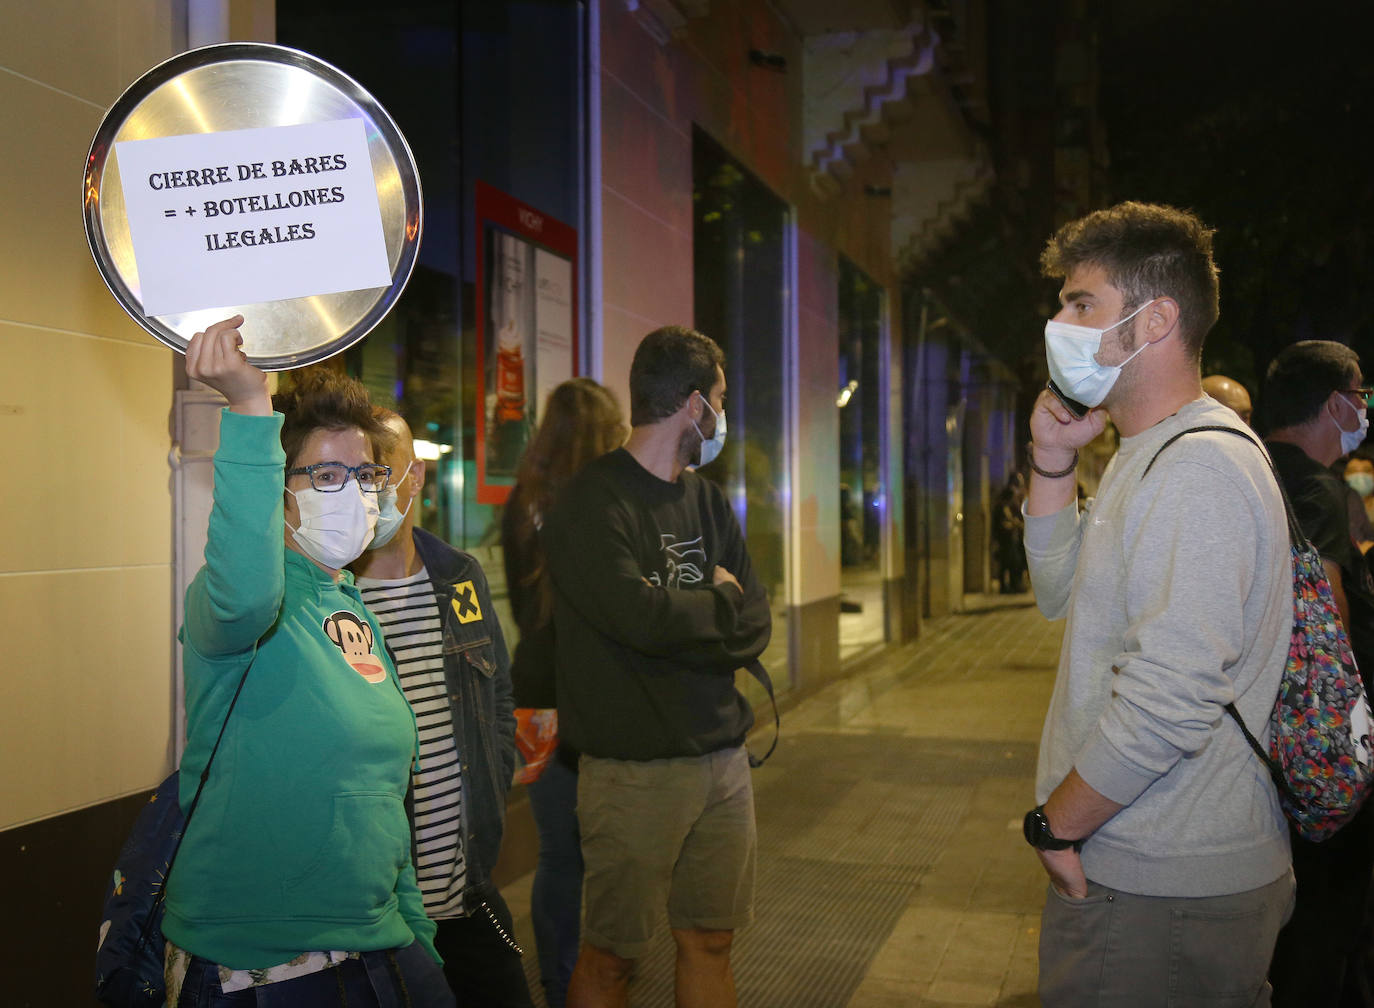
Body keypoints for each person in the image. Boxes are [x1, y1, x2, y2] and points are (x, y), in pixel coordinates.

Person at [1022, 203, 1294, 1006]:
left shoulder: (1198, 467)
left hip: (1162, 880)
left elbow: (1170, 695)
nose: (1059, 323)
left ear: (1156, 320)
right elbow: (1056, 595)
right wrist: (1050, 463)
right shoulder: (1147, 452)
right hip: (1145, 865)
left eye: (1082, 305)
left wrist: (1058, 823)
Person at [163, 316, 454, 1007]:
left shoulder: (347, 602)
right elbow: (244, 589)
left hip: (378, 950)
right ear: (279, 488)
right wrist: (248, 406)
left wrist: (417, 938)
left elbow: (385, 795)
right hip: (270, 975)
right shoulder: (239, 603)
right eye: (325, 473)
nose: (351, 492)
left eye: (364, 474)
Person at [543, 326, 772, 1008]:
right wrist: (716, 599)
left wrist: (693, 613)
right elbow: (634, 618)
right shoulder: (592, 502)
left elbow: (754, 622)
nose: (723, 417)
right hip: (632, 771)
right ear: (695, 405)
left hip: (723, 761)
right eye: (721, 401)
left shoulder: (706, 499)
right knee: (613, 956)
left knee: (712, 940)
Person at [349, 410, 529, 1007]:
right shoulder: (329, 592)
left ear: (416, 476)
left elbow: (496, 695)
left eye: (383, 471)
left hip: (464, 887)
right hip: (375, 904)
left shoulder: (457, 577)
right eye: (356, 475)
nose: (371, 489)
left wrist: (490, 787)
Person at [500, 378, 628, 1008]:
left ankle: (558, 981)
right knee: (612, 857)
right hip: (598, 701)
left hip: (535, 697)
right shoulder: (608, 509)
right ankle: (602, 982)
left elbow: (526, 611)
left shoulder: (523, 503)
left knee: (557, 855)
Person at [1257, 340, 1374, 1006]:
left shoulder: (1255, 468)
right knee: (1327, 929)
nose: (1366, 408)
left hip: (1268, 748)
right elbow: (1330, 640)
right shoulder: (1322, 490)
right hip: (1325, 760)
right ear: (1336, 402)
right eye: (1362, 393)